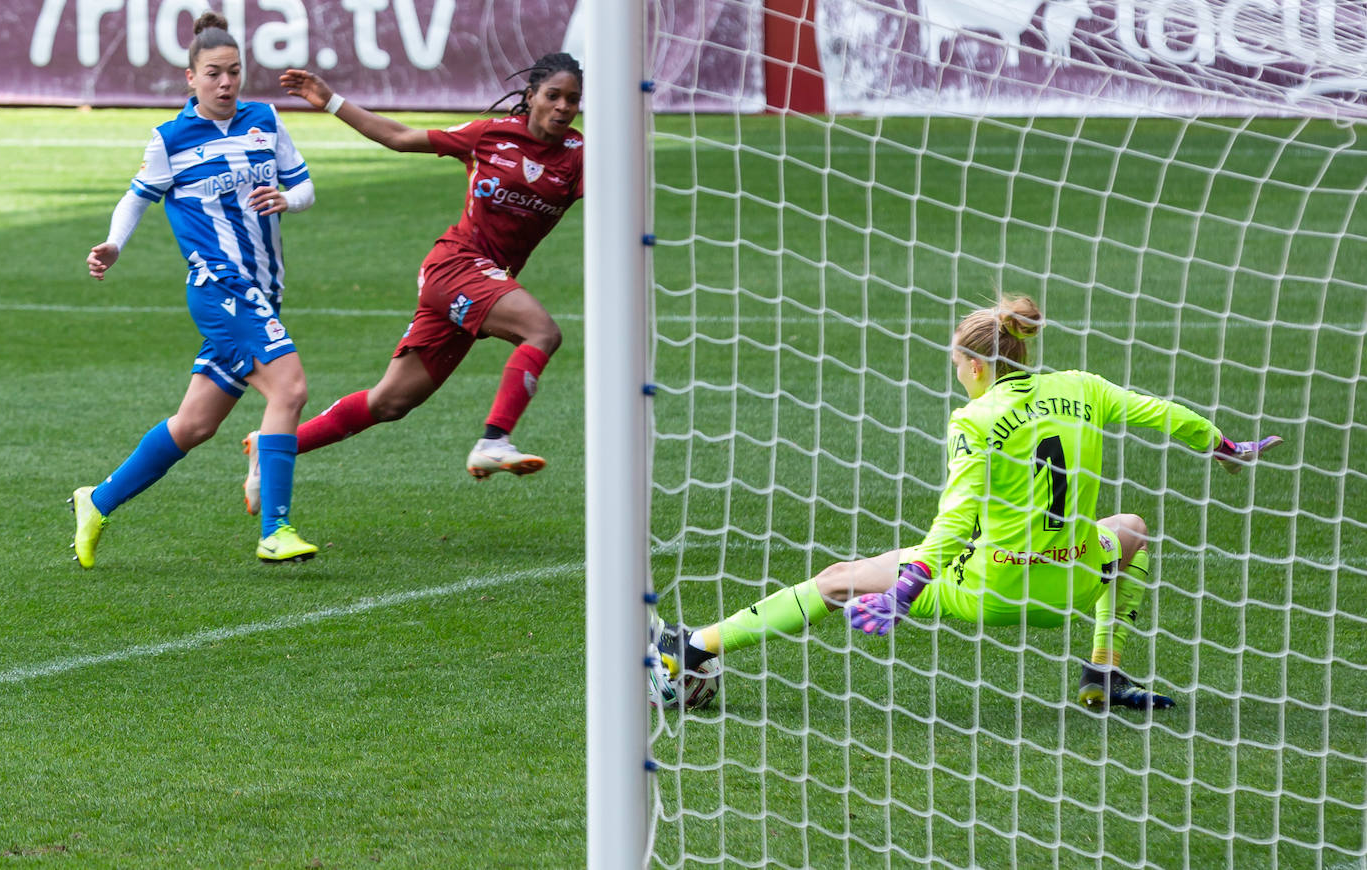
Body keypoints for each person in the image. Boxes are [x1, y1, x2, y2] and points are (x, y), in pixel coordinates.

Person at [656, 295, 1283, 711]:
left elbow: (955, 520)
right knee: (1130, 528)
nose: (956, 370)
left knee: (838, 579)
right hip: (1072, 583)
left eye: (956, 359)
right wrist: (1224, 444)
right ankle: (1104, 671)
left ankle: (698, 646)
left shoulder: (975, 418)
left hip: (992, 585)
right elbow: (1162, 412)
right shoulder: (1085, 388)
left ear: (976, 366)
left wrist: (908, 587)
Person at [240, 53, 584, 515]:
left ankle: (275, 446)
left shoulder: (579, 156)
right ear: (531, 96)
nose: (563, 107)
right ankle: (495, 439)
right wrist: (330, 101)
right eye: (553, 96)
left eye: (573, 100)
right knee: (541, 332)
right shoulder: (490, 135)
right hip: (456, 266)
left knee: (390, 403)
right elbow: (401, 138)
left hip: (486, 282)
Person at [74, 11, 319, 567]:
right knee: (290, 388)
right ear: (191, 78)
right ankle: (275, 528)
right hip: (218, 287)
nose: (226, 83)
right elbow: (137, 196)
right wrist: (114, 244)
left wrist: (286, 199)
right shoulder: (170, 138)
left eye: (234, 72)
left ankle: (97, 500)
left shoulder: (265, 119)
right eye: (213, 73)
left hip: (262, 291)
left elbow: (303, 188)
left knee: (195, 425)